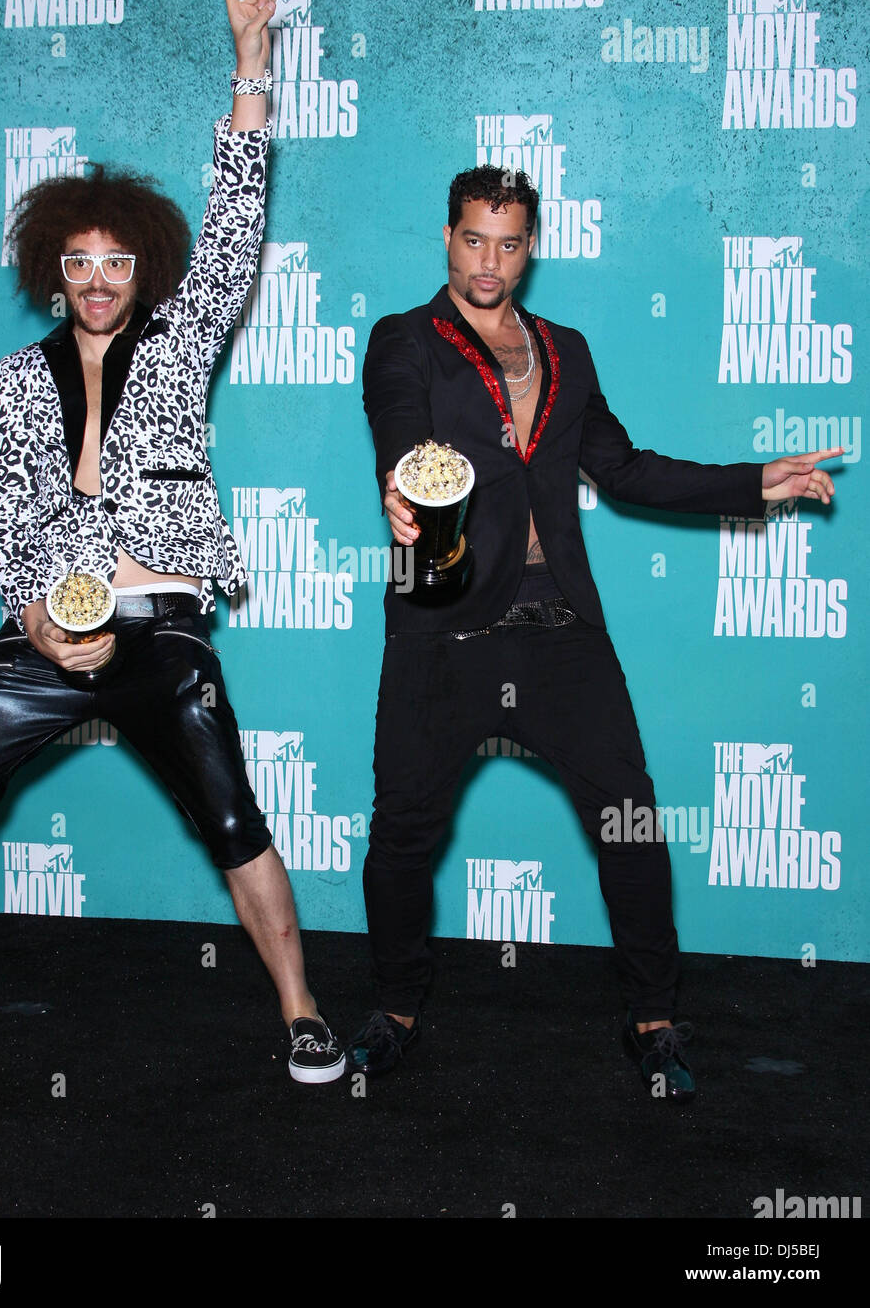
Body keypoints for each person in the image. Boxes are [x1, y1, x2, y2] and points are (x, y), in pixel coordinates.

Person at [0, 0, 344, 1085]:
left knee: (231, 816)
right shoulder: (16, 379)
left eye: (115, 261)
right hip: (45, 630)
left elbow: (235, 222)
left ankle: (302, 1011)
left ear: (144, 266)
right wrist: (36, 624)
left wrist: (251, 68)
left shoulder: (181, 345)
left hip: (161, 623)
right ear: (54, 270)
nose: (97, 279)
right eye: (78, 263)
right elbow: (11, 516)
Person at [349, 164, 841, 1100]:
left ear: (531, 246)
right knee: (404, 832)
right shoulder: (404, 339)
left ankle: (654, 1018)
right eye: (473, 239)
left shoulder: (565, 349)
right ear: (446, 238)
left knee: (631, 822)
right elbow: (402, 434)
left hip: (559, 623)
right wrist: (404, 489)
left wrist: (753, 483)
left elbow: (625, 469)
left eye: (510, 242)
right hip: (442, 626)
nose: (490, 260)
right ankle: (396, 1006)